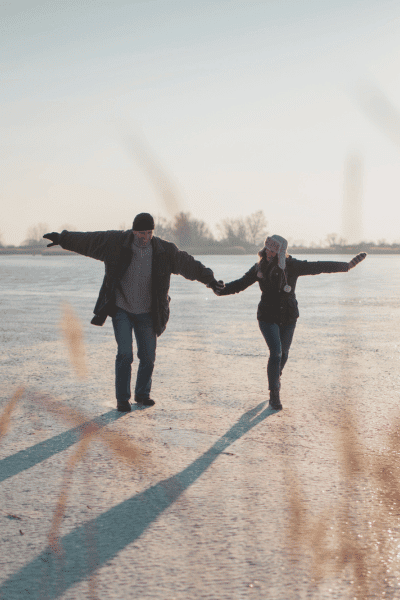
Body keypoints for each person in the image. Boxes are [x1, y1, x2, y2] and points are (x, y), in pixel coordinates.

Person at [43, 213, 224, 412]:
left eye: (149, 233)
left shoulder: (164, 250)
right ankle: (122, 399)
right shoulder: (116, 242)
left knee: (148, 356)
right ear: (133, 231)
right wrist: (62, 238)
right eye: (141, 233)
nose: (145, 237)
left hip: (148, 311)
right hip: (122, 308)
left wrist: (211, 281)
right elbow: (90, 241)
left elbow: (189, 264)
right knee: (125, 353)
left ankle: (142, 394)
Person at [213, 234, 367, 410]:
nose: (268, 253)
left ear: (281, 252)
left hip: (288, 316)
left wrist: (346, 266)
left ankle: (275, 376)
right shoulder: (259, 268)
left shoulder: (292, 266)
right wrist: (222, 290)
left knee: (284, 353)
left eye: (273, 250)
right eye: (267, 249)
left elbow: (318, 266)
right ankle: (274, 394)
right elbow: (241, 284)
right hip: (267, 317)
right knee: (276, 352)